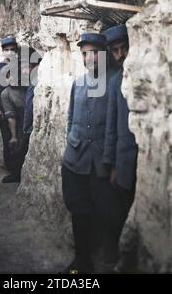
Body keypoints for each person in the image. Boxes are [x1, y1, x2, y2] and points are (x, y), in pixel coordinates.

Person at [61, 33, 114, 274]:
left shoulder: (114, 83)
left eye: (93, 52)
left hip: (100, 164)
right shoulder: (78, 84)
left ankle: (106, 258)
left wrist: (110, 162)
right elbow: (71, 117)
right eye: (84, 53)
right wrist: (71, 142)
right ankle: (82, 261)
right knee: (78, 210)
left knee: (104, 211)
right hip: (75, 160)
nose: (88, 58)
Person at [102, 24, 138, 268]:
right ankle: (115, 255)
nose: (120, 55)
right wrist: (111, 164)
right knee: (120, 210)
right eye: (114, 51)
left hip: (146, 159)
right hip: (124, 161)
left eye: (124, 48)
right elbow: (111, 126)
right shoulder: (115, 81)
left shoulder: (143, 74)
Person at [0, 54, 30, 183]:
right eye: (8, 76)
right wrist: (13, 136)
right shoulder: (6, 94)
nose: (11, 78)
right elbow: (11, 116)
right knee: (17, 148)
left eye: (14, 74)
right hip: (19, 123)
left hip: (30, 119)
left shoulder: (26, 86)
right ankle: (16, 174)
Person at [0, 35, 18, 170]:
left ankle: (18, 168)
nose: (10, 52)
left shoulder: (21, 67)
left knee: (18, 138)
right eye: (6, 50)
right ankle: (10, 167)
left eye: (12, 49)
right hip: (3, 110)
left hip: (17, 110)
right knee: (7, 138)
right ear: (2, 51)